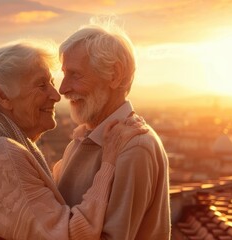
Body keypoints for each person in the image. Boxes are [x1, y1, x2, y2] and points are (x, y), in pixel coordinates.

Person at [0, 42, 148, 240]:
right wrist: (109, 161)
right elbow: (72, 234)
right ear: (3, 96)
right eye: (42, 85)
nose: (56, 95)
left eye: (51, 82)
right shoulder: (3, 153)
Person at [53, 22, 171, 240]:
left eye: (75, 74)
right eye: (63, 74)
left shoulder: (134, 148)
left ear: (114, 74)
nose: (62, 89)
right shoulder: (80, 141)